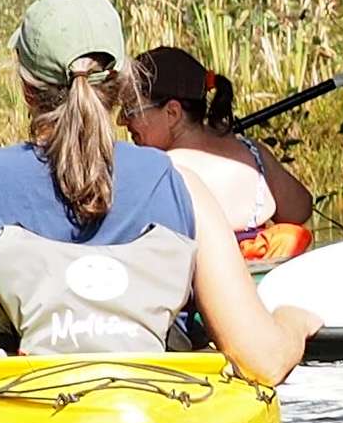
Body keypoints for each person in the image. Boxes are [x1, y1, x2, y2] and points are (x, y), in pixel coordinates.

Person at [0, 0, 322, 387]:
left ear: (27, 88)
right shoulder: (180, 186)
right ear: (120, 83)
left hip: (10, 420)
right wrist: (292, 322)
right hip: (148, 408)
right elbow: (261, 361)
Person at [122, 46, 315, 263]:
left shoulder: (161, 171)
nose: (122, 121)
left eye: (131, 111)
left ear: (172, 113)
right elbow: (300, 210)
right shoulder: (252, 153)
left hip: (205, 292)